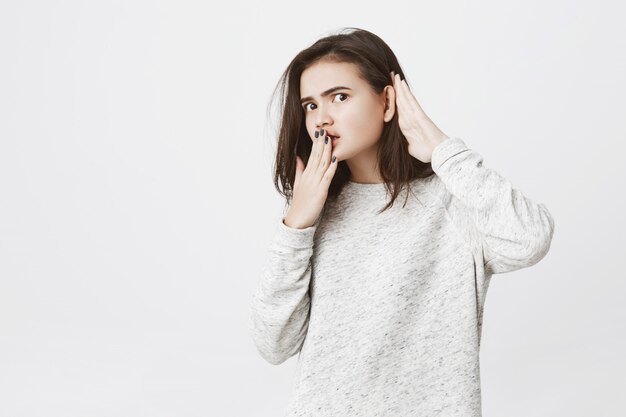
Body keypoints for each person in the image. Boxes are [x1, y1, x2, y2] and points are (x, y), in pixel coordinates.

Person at [248, 27, 555, 417]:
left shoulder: (453, 199)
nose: (320, 119)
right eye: (310, 105)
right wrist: (296, 225)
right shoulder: (313, 214)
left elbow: (530, 240)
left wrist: (443, 151)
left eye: (339, 98)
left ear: (388, 101)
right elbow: (273, 344)